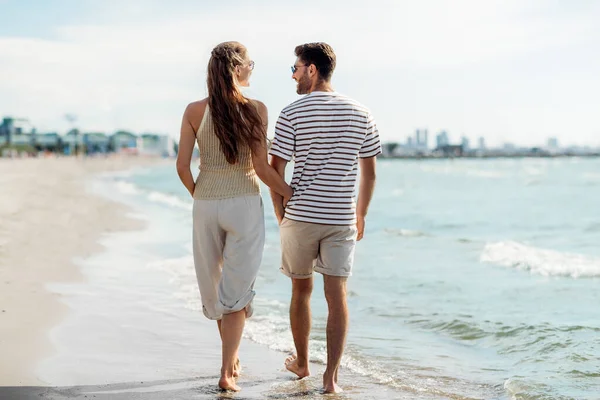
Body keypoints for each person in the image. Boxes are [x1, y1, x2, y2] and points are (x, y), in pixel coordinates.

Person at [176, 41, 293, 392]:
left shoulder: (194, 110)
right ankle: (227, 371)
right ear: (238, 68)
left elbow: (182, 166)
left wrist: (203, 196)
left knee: (217, 287)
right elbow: (260, 167)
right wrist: (289, 193)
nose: (252, 69)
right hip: (243, 203)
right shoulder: (255, 109)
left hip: (206, 204)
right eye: (251, 63)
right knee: (237, 290)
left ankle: (231, 360)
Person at [268, 42, 381, 393]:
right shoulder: (362, 112)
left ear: (312, 70)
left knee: (301, 289)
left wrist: (281, 213)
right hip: (341, 218)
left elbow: (276, 170)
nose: (294, 75)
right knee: (338, 295)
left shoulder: (292, 112)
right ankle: (330, 379)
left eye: (296, 69)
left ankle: (302, 363)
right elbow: (370, 173)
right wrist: (360, 214)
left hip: (300, 216)